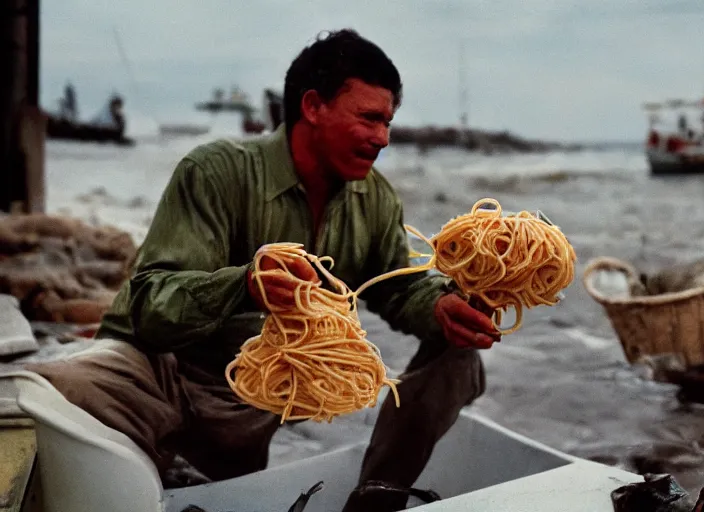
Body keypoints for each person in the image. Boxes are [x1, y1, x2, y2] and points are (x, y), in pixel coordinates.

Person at [22, 29, 502, 512]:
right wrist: (246, 284)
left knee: (458, 355)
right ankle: (145, 468)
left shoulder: (375, 198)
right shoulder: (215, 171)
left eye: (389, 122)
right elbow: (149, 303)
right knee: (52, 389)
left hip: (248, 411)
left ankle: (377, 497)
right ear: (313, 107)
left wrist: (442, 304)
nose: (383, 138)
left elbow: (399, 290)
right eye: (370, 118)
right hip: (163, 376)